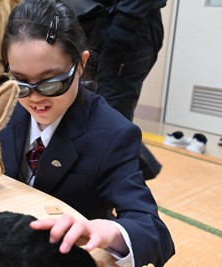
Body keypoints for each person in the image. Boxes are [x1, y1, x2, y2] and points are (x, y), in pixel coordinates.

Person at [0, 0, 174, 266]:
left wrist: (107, 231)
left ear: (80, 64)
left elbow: (154, 232)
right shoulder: (6, 107)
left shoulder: (112, 134)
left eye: (52, 82)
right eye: (20, 83)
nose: (35, 98)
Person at [64, 0, 166, 180]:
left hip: (125, 27)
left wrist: (125, 23)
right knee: (86, 114)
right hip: (90, 24)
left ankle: (117, 194)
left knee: (108, 118)